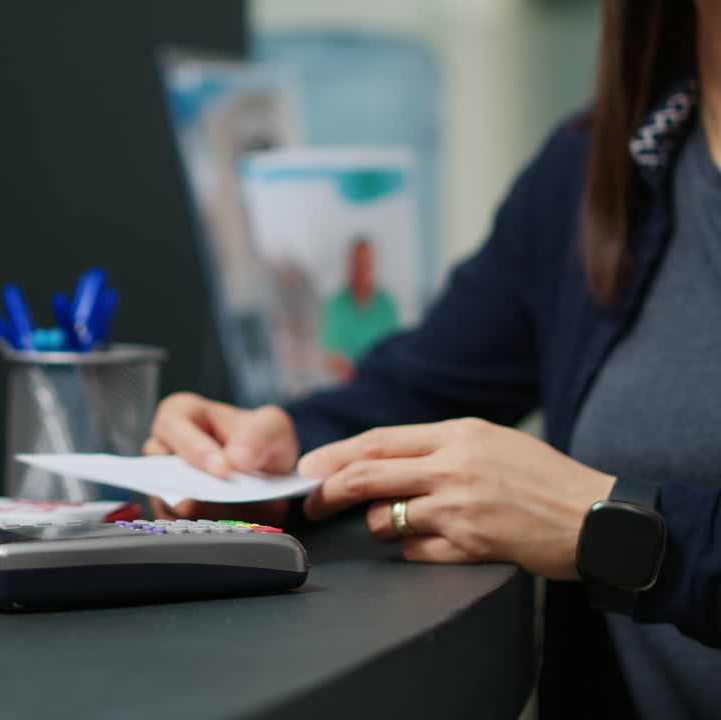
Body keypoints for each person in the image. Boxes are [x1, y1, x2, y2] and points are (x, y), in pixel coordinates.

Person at [145, 1, 721, 718]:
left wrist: (612, 529)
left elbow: (601, 523)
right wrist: (267, 459)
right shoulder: (591, 169)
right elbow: (413, 390)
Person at [320, 235, 399, 382]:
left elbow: (393, 351)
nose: (362, 270)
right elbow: (333, 357)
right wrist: (356, 377)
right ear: (350, 265)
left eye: (366, 264)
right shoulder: (337, 305)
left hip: (381, 383)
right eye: (357, 263)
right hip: (348, 385)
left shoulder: (386, 305)